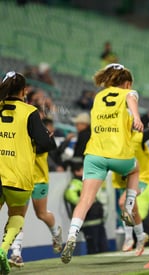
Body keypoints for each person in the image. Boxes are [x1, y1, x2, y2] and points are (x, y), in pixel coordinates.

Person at [60, 63, 144, 264]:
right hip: (119, 155)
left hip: (94, 154)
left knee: (85, 200)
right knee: (135, 170)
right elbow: (131, 99)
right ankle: (128, 206)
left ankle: (72, 235)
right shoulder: (128, 93)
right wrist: (137, 117)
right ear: (126, 82)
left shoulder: (98, 97)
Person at [0, 71, 56, 274]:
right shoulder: (29, 111)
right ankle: (4, 249)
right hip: (19, 176)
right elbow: (44, 143)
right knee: (17, 215)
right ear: (24, 90)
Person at [112, 128, 149, 255]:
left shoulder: (137, 138)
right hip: (124, 179)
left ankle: (129, 238)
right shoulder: (112, 139)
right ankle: (141, 236)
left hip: (142, 176)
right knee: (133, 210)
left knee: (123, 202)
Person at [8, 149, 64, 268]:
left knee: (41, 214)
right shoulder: (17, 134)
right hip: (21, 179)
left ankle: (55, 233)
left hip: (39, 180)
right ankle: (16, 254)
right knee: (18, 216)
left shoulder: (40, 133)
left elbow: (49, 145)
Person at [64, 159, 108, 255]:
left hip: (98, 221)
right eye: (83, 169)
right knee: (92, 247)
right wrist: (85, 204)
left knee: (103, 247)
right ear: (77, 171)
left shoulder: (87, 182)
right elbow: (70, 195)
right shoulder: (75, 183)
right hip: (88, 222)